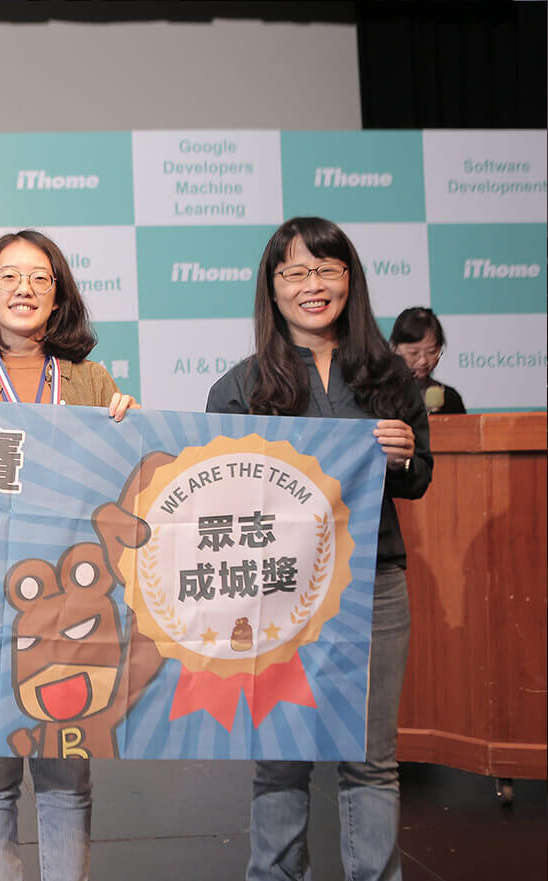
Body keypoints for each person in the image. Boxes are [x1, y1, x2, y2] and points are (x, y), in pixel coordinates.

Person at [205, 217, 432, 881]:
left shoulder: (388, 376)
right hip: (277, 592)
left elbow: (417, 479)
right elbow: (216, 500)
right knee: (280, 756)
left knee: (371, 759)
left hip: (373, 585)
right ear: (272, 287)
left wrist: (403, 455)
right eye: (295, 272)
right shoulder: (241, 387)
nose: (313, 285)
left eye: (327, 269)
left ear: (348, 280)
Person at [0, 229, 134, 881]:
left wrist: (130, 426)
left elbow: (121, 485)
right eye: (9, 276)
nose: (24, 288)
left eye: (40, 278)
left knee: (66, 776)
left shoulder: (91, 381)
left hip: (72, 607)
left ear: (58, 296)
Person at [390, 306, 467, 413]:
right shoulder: (381, 396)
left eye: (431, 352)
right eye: (413, 353)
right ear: (395, 349)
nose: (423, 361)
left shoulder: (450, 398)